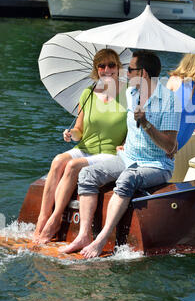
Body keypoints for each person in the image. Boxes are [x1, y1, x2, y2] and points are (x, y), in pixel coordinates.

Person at [60, 50, 180, 257]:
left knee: (126, 179)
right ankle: (83, 235)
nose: (126, 73)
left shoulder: (170, 101)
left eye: (130, 69)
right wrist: (123, 142)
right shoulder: (130, 94)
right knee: (87, 175)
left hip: (156, 165)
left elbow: (170, 147)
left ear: (142, 73)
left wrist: (145, 123)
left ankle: (102, 238)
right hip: (128, 157)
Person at [33, 49, 127, 243]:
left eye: (111, 65)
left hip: (111, 153)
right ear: (96, 69)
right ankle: (43, 216)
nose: (107, 69)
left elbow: (134, 127)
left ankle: (55, 218)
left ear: (118, 68)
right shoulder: (88, 93)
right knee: (58, 160)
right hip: (86, 148)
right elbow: (79, 130)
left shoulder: (129, 95)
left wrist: (126, 144)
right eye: (102, 66)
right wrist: (71, 135)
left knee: (72, 166)